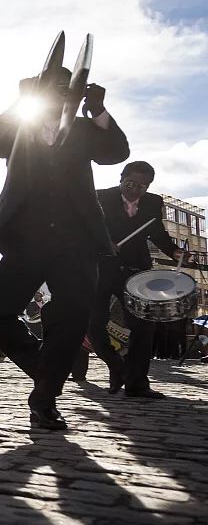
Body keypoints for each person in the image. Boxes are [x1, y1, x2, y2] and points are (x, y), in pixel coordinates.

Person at [0, 66, 130, 430]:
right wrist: (20, 102)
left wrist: (97, 109)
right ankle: (44, 372)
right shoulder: (21, 126)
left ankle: (44, 398)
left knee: (72, 316)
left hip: (76, 239)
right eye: (52, 88)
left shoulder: (83, 128)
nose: (60, 94)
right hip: (26, 238)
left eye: (67, 88)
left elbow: (117, 152)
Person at [89, 161, 189, 398]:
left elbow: (157, 232)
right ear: (121, 178)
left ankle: (137, 383)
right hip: (101, 268)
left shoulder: (154, 202)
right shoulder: (99, 197)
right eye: (130, 183)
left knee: (144, 327)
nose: (135, 190)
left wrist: (173, 251)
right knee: (93, 324)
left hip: (136, 270)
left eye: (142, 187)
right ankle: (115, 365)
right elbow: (85, 228)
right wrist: (103, 243)